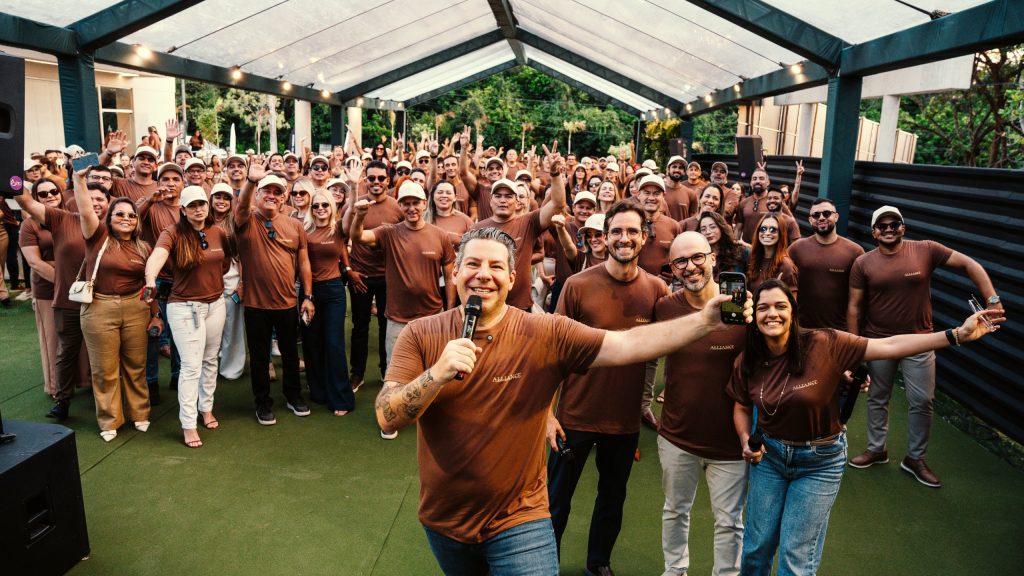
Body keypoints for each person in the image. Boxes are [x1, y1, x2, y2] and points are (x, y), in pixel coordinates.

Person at [376, 226, 751, 575]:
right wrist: (436, 374)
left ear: (512, 278)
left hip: (520, 519)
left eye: (496, 266)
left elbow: (627, 344)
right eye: (472, 264)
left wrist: (704, 321)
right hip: (446, 520)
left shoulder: (545, 331)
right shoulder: (420, 334)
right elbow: (387, 415)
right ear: (454, 273)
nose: (483, 274)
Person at [728, 279, 1003, 575]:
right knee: (757, 549)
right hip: (770, 457)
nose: (772, 314)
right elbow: (742, 406)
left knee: (795, 558)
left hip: (819, 462)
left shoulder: (825, 343)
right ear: (753, 315)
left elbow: (890, 345)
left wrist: (956, 335)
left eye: (780, 306)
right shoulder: (748, 360)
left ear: (793, 312)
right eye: (763, 308)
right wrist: (746, 439)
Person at [546, 201, 669, 576]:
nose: (624, 238)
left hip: (623, 422)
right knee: (555, 501)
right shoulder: (577, 285)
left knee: (612, 499)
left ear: (644, 238)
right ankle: (543, 564)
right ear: (604, 237)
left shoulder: (657, 289)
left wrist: (646, 402)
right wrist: (546, 414)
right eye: (616, 231)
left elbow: (662, 349)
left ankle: (598, 563)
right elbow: (553, 354)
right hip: (574, 417)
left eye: (632, 231)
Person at [847, 205, 1003, 487]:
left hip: (921, 339)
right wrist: (855, 345)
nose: (889, 229)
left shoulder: (926, 249)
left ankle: (915, 459)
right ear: (874, 232)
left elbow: (971, 264)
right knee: (877, 397)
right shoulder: (863, 263)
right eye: (882, 226)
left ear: (903, 228)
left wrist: (992, 300)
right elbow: (854, 307)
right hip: (879, 340)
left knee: (922, 401)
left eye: (895, 224)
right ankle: (876, 449)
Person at [657, 232, 748, 576]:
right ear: (673, 269)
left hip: (730, 441)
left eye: (697, 257)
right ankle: (675, 570)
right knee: (675, 510)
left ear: (712, 258)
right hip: (678, 436)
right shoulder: (665, 309)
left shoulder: (742, 307)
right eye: (681, 261)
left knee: (729, 522)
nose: (690, 266)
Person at [14, 166, 112, 419]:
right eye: (88, 198)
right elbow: (25, 200)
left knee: (105, 351)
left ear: (108, 202)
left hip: (104, 302)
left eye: (100, 199)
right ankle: (63, 400)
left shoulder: (118, 224)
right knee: (67, 351)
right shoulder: (61, 219)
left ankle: (107, 398)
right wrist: (10, 174)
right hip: (69, 300)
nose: (94, 203)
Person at [72, 171, 161, 441]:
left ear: (137, 222)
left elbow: (150, 286)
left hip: (136, 307)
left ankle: (140, 413)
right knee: (104, 369)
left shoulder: (144, 248)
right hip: (99, 308)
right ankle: (110, 419)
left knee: (136, 365)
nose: (126, 219)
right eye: (119, 214)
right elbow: (86, 210)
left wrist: (155, 314)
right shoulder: (97, 237)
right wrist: (78, 180)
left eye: (131, 215)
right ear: (108, 218)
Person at [145, 186, 230, 448]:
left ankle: (206, 408)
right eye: (192, 205)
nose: (199, 209)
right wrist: (150, 280)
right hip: (185, 307)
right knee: (191, 367)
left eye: (202, 204)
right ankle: (188, 423)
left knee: (210, 360)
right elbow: (157, 255)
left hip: (216, 303)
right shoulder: (172, 233)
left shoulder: (218, 232)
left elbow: (225, 263)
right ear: (183, 209)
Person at [234, 157, 315, 426]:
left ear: (284, 198)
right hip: (256, 305)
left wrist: (307, 296)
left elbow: (303, 262)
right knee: (259, 358)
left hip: (286, 303)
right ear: (258, 195)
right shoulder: (246, 220)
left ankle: (293, 396)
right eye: (266, 191)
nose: (272, 196)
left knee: (291, 354)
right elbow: (242, 207)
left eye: (277, 192)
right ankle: (263, 403)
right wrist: (251, 180)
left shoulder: (294, 225)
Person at [469, 144, 568, 312]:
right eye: (498, 196)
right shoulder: (478, 229)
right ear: (490, 201)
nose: (503, 200)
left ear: (517, 202)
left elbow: (558, 204)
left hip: (521, 307)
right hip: (487, 307)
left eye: (508, 196)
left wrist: (555, 174)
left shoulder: (528, 222)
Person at [342, 160, 403, 392]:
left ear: (388, 180)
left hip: (389, 278)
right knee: (360, 327)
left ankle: (387, 370)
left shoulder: (397, 206)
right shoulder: (357, 202)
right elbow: (346, 232)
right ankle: (357, 374)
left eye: (380, 178)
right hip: (361, 276)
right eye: (371, 178)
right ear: (365, 179)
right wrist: (350, 271)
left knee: (387, 326)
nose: (376, 182)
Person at [301, 189, 355, 416]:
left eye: (325, 205)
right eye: (316, 206)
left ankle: (341, 397)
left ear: (332, 207)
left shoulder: (339, 228)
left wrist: (353, 186)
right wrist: (307, 296)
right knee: (312, 342)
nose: (320, 209)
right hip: (308, 291)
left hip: (334, 290)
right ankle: (319, 390)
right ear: (310, 209)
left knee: (333, 343)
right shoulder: (302, 230)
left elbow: (353, 213)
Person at [788, 198, 864, 329]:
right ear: (810, 220)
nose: (821, 218)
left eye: (827, 213)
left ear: (836, 216)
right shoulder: (796, 249)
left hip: (839, 332)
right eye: (816, 215)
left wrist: (853, 336)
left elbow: (860, 301)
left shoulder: (855, 251)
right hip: (802, 329)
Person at [18, 179, 63, 394]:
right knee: (51, 338)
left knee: (79, 336)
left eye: (54, 191)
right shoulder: (30, 224)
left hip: (77, 285)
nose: (50, 196)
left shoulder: (71, 214)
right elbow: (34, 262)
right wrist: (64, 283)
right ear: (35, 198)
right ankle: (54, 386)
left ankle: (80, 381)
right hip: (48, 287)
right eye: (43, 194)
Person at [208, 182, 246, 380]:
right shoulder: (202, 220)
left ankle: (231, 368)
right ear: (211, 199)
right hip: (206, 281)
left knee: (232, 326)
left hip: (231, 280)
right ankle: (211, 366)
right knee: (211, 328)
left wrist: (242, 284)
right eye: (218, 197)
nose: (221, 201)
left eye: (226, 198)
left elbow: (242, 256)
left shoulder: (236, 223)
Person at [747, 213, 798, 298]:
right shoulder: (753, 259)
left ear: (781, 233)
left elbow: (791, 304)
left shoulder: (786, 266)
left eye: (772, 229)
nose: (767, 233)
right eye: (763, 229)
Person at [699, 212, 746, 282]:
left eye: (712, 227)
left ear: (721, 228)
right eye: (703, 229)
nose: (708, 232)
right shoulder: (699, 257)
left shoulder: (739, 251)